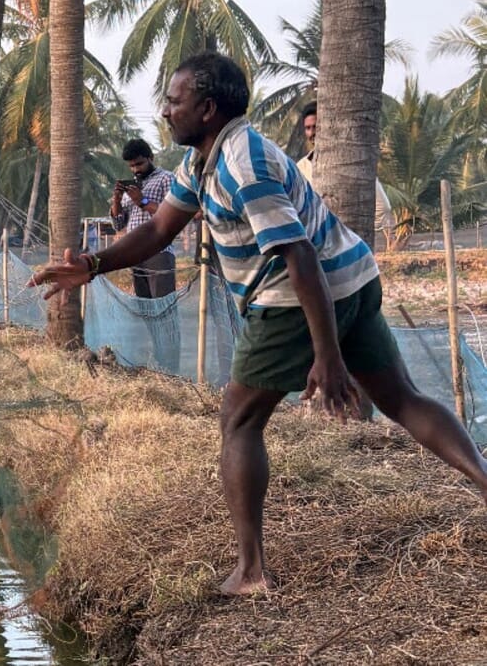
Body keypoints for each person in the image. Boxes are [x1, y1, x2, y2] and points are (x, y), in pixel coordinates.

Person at [29, 52, 487, 596]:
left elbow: (298, 255)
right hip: (355, 278)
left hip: (298, 296)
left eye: (175, 101)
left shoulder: (242, 163)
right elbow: (156, 232)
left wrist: (328, 357)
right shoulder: (202, 162)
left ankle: (251, 572)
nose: (166, 111)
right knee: (404, 399)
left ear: (207, 108)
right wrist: (93, 264)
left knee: (239, 421)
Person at [298, 101, 395, 249]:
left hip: (350, 246)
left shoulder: (352, 164)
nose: (312, 133)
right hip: (316, 248)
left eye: (316, 127)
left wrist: (352, 232)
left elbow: (383, 208)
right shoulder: (300, 168)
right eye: (308, 128)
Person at [111, 138, 177, 299]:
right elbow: (118, 224)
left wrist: (143, 201)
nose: (135, 169)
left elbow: (173, 213)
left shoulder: (166, 178)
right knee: (145, 308)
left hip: (158, 252)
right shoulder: (131, 187)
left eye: (139, 164)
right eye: (131, 166)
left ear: (151, 158)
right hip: (135, 253)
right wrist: (117, 200)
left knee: (163, 306)